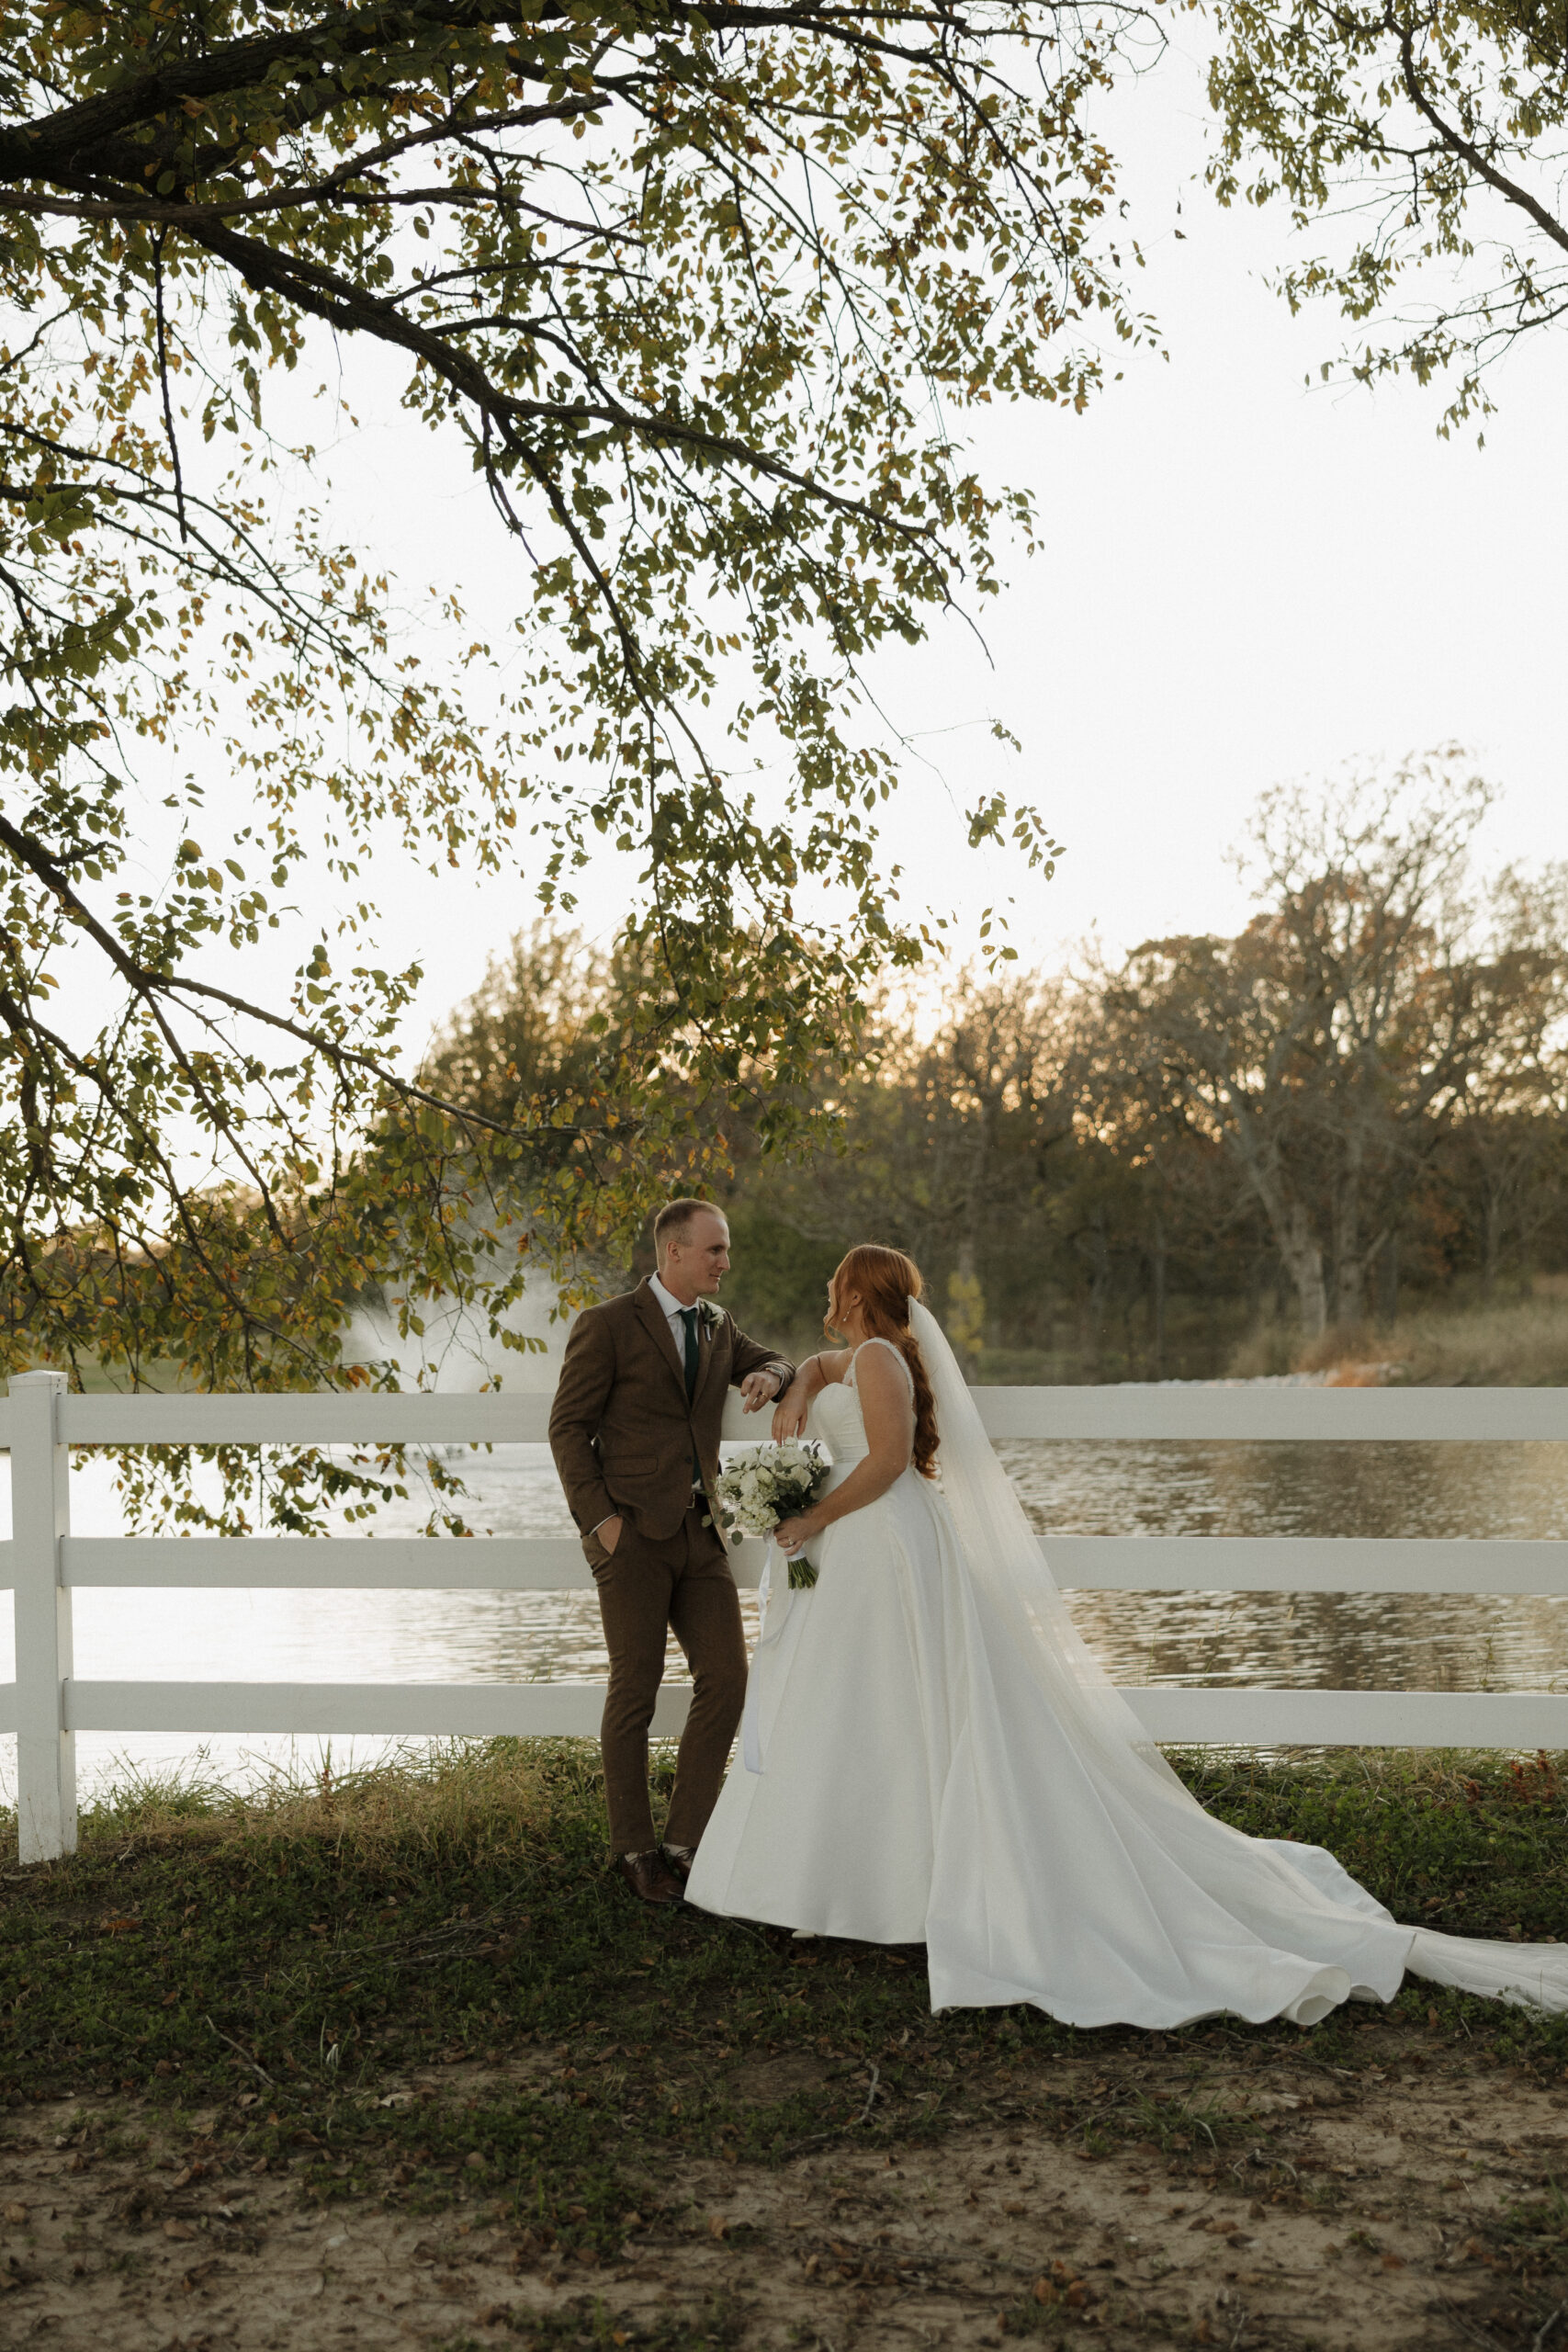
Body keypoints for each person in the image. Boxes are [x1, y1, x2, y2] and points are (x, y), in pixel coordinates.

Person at [686, 1243, 1568, 2026]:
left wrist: (810, 1520)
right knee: (860, 1707)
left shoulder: (879, 1359)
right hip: (857, 1554)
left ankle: (909, 1889)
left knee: (898, 1703)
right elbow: (816, 1368)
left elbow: (881, 1462)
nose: (827, 1291)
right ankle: (854, 1883)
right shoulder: (852, 1357)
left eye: (837, 1281)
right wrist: (797, 1383)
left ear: (859, 1290)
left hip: (878, 1540)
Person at [549, 1199, 795, 1905]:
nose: (725, 1261)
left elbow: (775, 1359)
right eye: (714, 1250)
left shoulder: (717, 1326)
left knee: (727, 1678)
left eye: (725, 1250)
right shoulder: (606, 1326)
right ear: (674, 1253)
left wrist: (771, 1379)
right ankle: (633, 1850)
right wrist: (602, 1524)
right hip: (630, 1536)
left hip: (701, 1535)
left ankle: (688, 1841)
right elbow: (567, 1429)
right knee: (636, 1689)